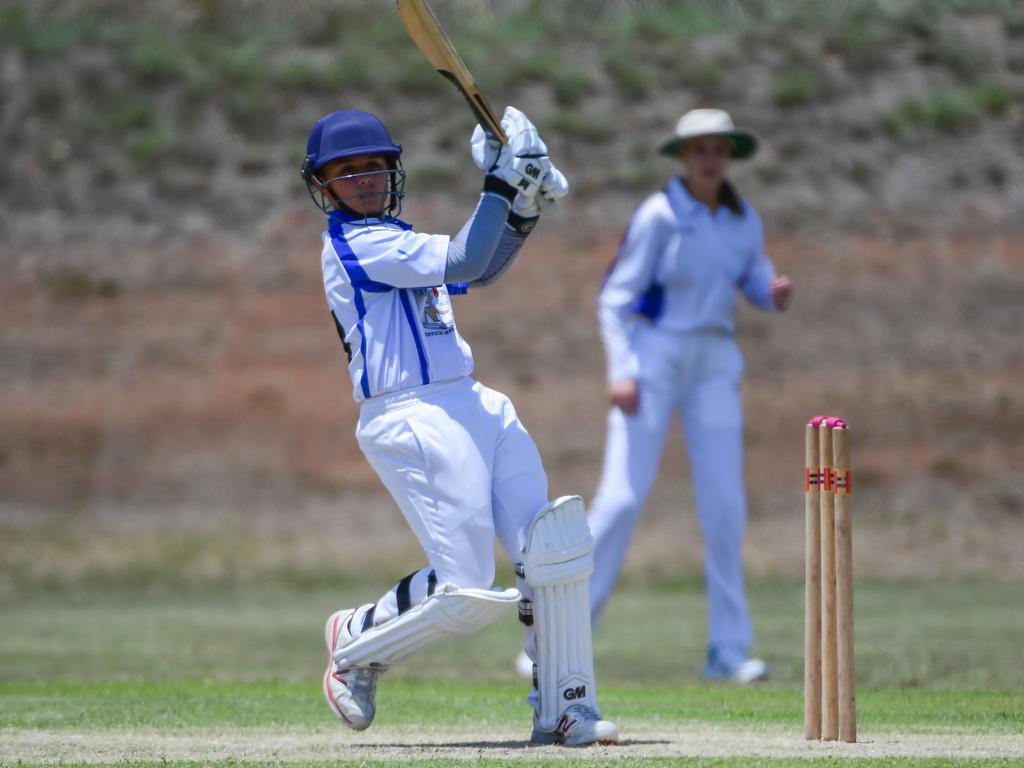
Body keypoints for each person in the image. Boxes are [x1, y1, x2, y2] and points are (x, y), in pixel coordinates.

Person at [302, 106, 617, 746]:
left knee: (549, 548)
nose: (364, 180)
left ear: (394, 171)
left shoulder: (400, 239)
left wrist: (523, 205)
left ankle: (564, 704)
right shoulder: (359, 245)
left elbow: (484, 265)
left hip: (472, 401)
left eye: (374, 167)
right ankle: (358, 638)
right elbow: (470, 258)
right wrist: (503, 182)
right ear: (324, 185)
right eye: (348, 172)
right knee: (468, 589)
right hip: (409, 413)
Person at [587, 108, 791, 683]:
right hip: (655, 355)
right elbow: (614, 299)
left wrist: (769, 291)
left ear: (729, 156)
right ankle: (560, 639)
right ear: (682, 156)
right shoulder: (659, 213)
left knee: (725, 506)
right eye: (699, 149)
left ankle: (728, 650)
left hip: (714, 360)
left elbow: (754, 277)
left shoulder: (742, 217)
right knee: (621, 500)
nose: (710, 159)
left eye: (718, 150)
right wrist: (621, 369)